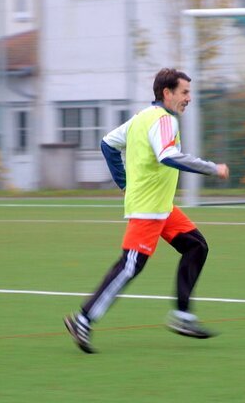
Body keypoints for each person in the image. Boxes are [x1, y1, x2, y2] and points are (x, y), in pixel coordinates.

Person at [63, 68, 230, 354]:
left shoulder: (141, 118)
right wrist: (212, 168)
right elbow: (168, 155)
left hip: (162, 206)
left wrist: (124, 184)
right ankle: (84, 318)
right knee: (130, 266)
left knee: (196, 246)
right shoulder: (165, 120)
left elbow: (107, 144)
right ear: (167, 93)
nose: (189, 98)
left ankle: (183, 316)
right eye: (184, 92)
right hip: (150, 207)